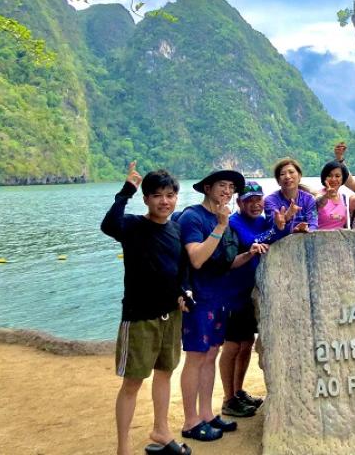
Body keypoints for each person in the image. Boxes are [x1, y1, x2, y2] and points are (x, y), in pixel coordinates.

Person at [100, 162, 191, 455]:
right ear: (146, 199)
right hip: (140, 317)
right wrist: (126, 190)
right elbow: (108, 225)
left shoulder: (176, 230)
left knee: (165, 372)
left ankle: (161, 429)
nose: (164, 201)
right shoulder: (133, 226)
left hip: (171, 316)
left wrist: (184, 293)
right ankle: (123, 447)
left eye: (170, 195)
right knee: (132, 382)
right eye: (157, 195)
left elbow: (180, 271)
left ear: (176, 198)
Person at [178, 170, 263, 442]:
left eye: (231, 187)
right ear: (207, 188)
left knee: (211, 355)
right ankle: (190, 421)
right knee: (196, 358)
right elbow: (196, 259)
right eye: (222, 186)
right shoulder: (193, 217)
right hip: (198, 299)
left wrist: (248, 254)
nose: (227, 191)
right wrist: (220, 226)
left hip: (219, 298)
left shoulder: (221, 219)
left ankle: (206, 414)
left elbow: (225, 263)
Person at [219, 181, 280, 418]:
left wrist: (283, 224)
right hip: (232, 293)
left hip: (251, 292)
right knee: (232, 345)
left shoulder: (263, 220)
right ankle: (228, 399)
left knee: (246, 344)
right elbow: (251, 240)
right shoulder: (234, 222)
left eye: (258, 199)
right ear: (239, 203)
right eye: (249, 200)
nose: (255, 204)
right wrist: (276, 228)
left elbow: (275, 234)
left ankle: (238, 391)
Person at [264, 158, 318, 238]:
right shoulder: (270, 200)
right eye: (282, 174)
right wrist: (286, 218)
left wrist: (307, 230)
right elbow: (272, 227)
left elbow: (313, 224)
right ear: (278, 181)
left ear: (299, 176)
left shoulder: (309, 199)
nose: (287, 176)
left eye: (291, 172)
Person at [316, 160, 351, 230]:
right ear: (324, 177)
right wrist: (326, 197)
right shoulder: (317, 195)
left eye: (337, 176)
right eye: (329, 176)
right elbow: (319, 203)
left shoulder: (343, 197)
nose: (333, 179)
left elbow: (345, 225)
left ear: (343, 178)